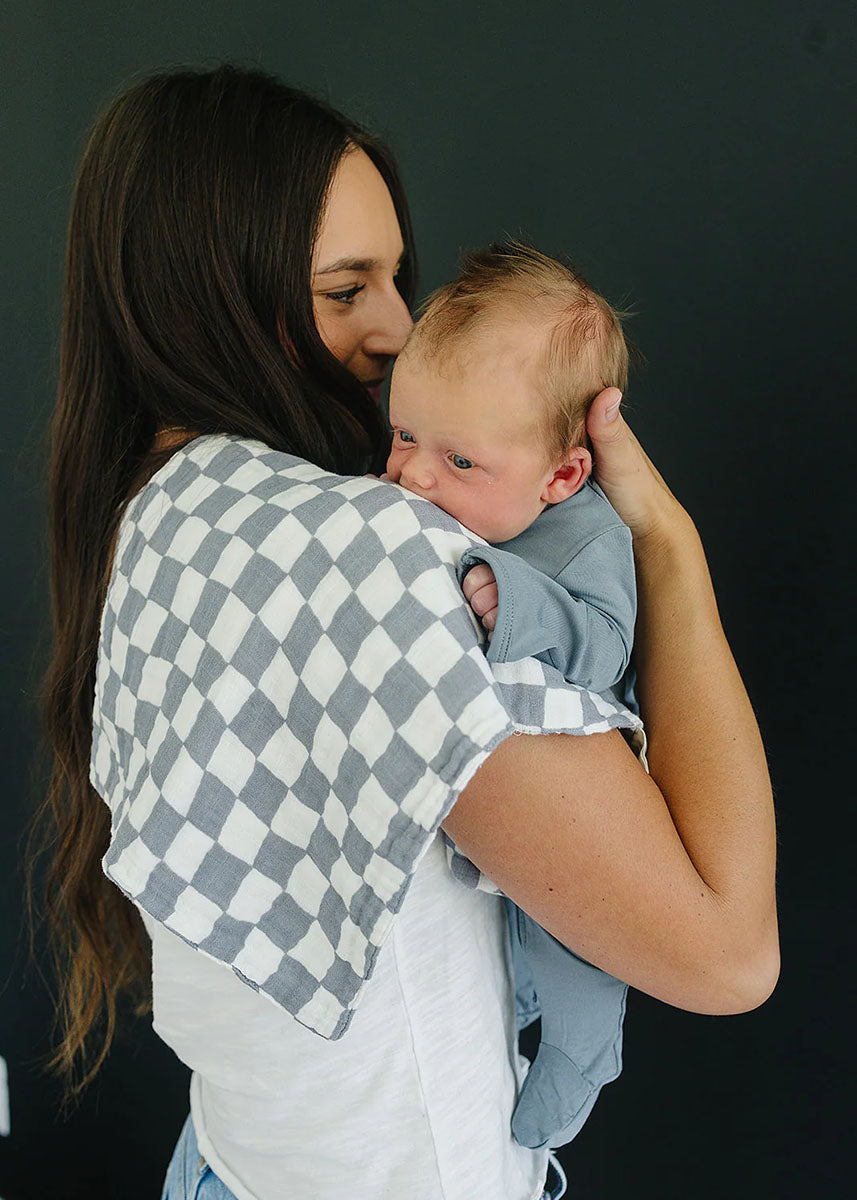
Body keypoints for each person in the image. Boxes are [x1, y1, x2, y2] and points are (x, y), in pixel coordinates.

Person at [31, 63, 779, 1200]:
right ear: (205, 298)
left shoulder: (160, 512)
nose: (396, 329)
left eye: (394, 278)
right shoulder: (378, 552)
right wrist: (667, 546)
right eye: (343, 291)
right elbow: (726, 956)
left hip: (225, 1165)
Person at [382, 238, 639, 1149]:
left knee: (573, 946)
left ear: (561, 475)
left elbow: (604, 648)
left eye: (458, 462)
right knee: (494, 936)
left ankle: (583, 1052)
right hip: (485, 778)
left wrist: (515, 599)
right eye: (405, 435)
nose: (412, 473)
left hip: (582, 792)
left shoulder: (585, 538)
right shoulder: (447, 497)